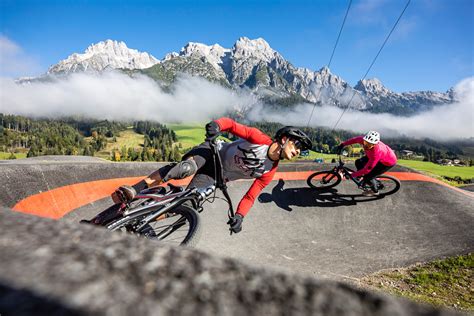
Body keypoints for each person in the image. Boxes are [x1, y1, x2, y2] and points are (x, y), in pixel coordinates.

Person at [112, 117, 312, 233]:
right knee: (184, 169)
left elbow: (251, 196)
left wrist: (240, 216)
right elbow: (232, 125)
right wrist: (217, 125)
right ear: (284, 139)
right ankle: (134, 189)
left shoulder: (269, 171)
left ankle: (139, 219)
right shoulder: (259, 139)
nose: (297, 152)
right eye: (297, 146)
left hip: (215, 177)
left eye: (301, 150)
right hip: (211, 153)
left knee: (184, 208)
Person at [336, 131, 397, 196]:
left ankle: (375, 191)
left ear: (374, 144)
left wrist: (352, 175)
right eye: (365, 142)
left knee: (368, 177)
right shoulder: (364, 140)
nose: (366, 145)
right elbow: (354, 140)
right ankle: (359, 176)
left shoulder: (376, 153)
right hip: (375, 156)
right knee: (358, 162)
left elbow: (367, 169)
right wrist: (342, 144)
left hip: (387, 162)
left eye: (369, 144)